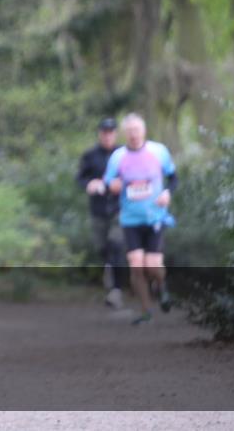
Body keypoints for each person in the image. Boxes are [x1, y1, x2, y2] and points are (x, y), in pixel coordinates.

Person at [102, 113, 177, 325]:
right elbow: (109, 182)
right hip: (130, 219)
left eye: (138, 130)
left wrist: (167, 193)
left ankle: (162, 286)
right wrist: (112, 186)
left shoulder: (158, 151)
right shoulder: (118, 156)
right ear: (125, 134)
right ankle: (146, 312)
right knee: (136, 264)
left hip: (155, 217)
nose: (134, 134)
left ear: (144, 131)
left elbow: (173, 177)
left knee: (153, 267)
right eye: (130, 131)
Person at [76, 118, 127, 309]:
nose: (107, 135)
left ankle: (116, 290)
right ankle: (109, 269)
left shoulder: (124, 154)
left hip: (119, 209)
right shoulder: (90, 155)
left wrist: (121, 186)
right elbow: (81, 177)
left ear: (115, 134)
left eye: (111, 132)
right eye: (104, 132)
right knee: (102, 247)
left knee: (116, 243)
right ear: (100, 133)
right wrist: (89, 184)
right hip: (98, 209)